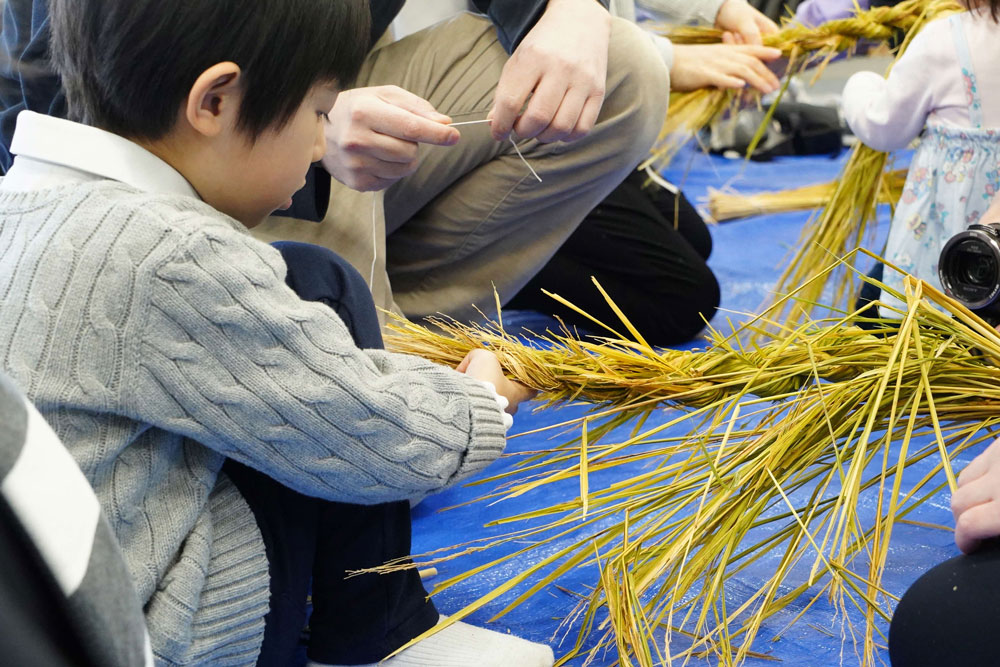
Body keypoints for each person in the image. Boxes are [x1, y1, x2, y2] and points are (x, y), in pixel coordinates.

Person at [0, 1, 548, 666]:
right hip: (152, 635)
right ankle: (382, 631)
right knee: (323, 310)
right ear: (215, 101)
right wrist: (479, 401)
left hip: (45, 611)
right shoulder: (174, 256)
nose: (322, 146)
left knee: (308, 278)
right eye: (319, 113)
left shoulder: (21, 197)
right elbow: (369, 434)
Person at [508, 0, 781, 344]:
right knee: (684, 303)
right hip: (534, 136)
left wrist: (720, 8)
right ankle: (494, 271)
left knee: (693, 237)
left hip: (601, 120)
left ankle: (527, 247)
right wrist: (669, 61)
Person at [843, 1, 1000, 320]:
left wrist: (860, 86)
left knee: (874, 307)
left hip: (952, 252)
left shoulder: (944, 38)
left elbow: (884, 126)